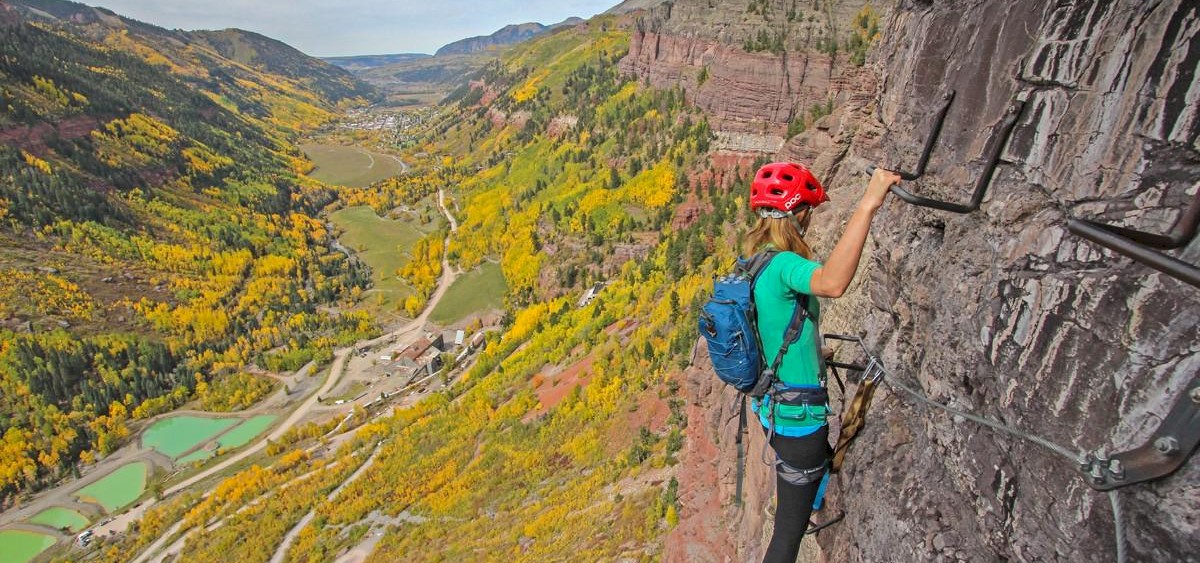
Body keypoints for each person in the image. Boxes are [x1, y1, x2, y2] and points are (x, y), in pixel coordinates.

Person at [744, 162, 901, 563]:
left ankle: (809, 496)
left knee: (796, 499)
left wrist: (812, 355)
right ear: (799, 214)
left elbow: (771, 329)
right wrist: (868, 203)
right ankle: (807, 497)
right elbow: (833, 283)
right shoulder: (784, 264)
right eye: (808, 212)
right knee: (785, 541)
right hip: (798, 420)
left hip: (771, 405)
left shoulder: (755, 263)